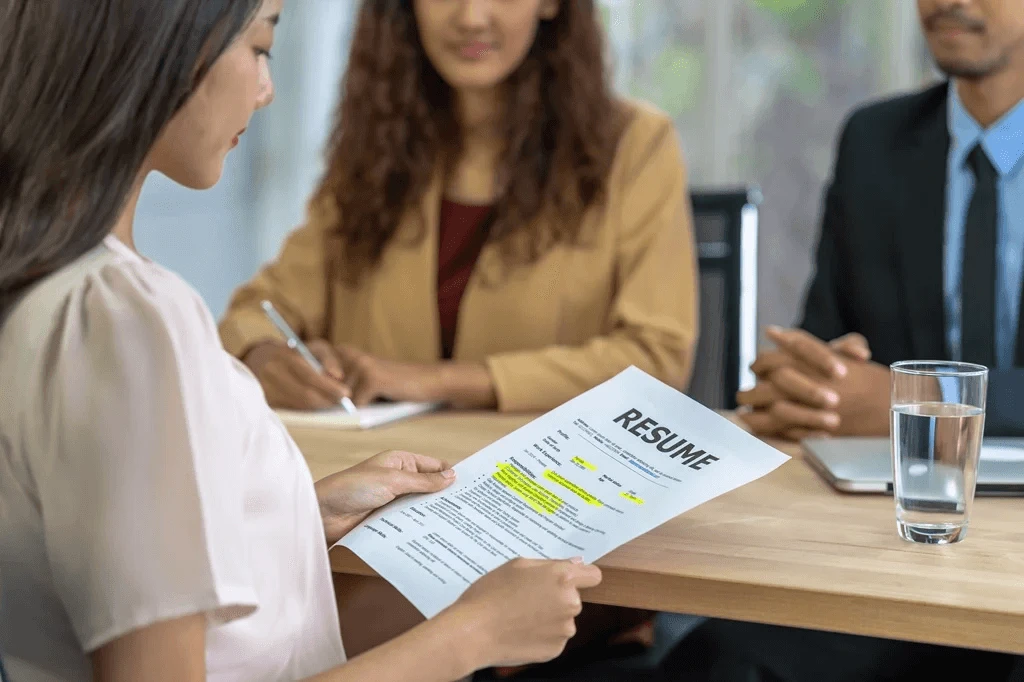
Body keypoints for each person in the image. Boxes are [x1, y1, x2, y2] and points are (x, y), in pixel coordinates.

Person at [0, 1, 604, 680]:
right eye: (260, 48)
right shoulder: (122, 321)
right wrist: (476, 633)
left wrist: (292, 510)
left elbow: (93, 541)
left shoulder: (44, 288)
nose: (267, 89)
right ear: (171, 48)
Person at [217, 0, 698, 415]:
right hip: (382, 482)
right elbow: (256, 312)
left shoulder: (635, 147)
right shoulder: (376, 151)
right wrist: (264, 354)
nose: (470, 18)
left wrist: (435, 380)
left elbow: (657, 360)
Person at [738, 0, 1024, 441]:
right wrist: (813, 382)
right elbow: (827, 334)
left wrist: (919, 400)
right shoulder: (874, 141)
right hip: (893, 491)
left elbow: (887, 399)